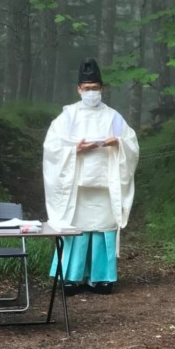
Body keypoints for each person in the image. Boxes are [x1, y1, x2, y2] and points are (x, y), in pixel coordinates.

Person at [43, 58, 139, 295]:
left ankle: (102, 277)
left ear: (102, 89)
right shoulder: (68, 116)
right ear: (79, 89)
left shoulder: (114, 117)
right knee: (76, 228)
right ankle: (70, 277)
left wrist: (118, 142)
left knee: (103, 227)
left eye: (95, 88)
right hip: (77, 184)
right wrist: (74, 149)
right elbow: (52, 147)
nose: (91, 93)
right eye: (87, 89)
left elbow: (132, 144)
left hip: (105, 184)